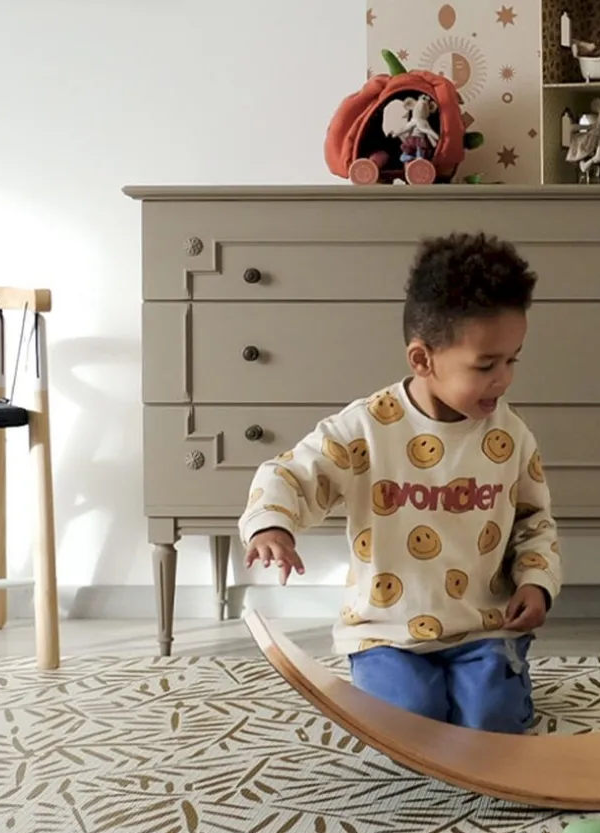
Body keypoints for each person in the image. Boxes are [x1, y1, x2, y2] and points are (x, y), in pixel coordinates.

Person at [238, 232, 561, 734]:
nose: (504, 379)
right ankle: (412, 691)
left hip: (483, 628)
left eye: (512, 359)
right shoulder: (365, 428)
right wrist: (271, 526)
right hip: (385, 633)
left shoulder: (510, 435)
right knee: (411, 723)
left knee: (490, 726)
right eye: (486, 365)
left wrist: (536, 583)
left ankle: (491, 685)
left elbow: (534, 520)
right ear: (422, 360)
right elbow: (290, 473)